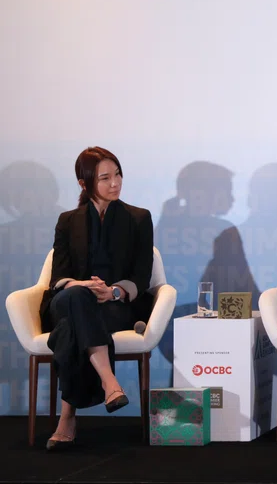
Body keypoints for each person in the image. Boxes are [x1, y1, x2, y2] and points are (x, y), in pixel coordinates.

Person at [40, 147, 154, 451]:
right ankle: (109, 382)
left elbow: (142, 275)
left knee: (69, 330)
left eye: (117, 175)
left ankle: (67, 417)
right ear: (84, 183)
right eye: (105, 178)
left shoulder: (139, 218)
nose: (115, 183)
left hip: (113, 305)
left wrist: (113, 291)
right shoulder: (67, 221)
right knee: (77, 296)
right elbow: (58, 277)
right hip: (68, 298)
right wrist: (80, 285)